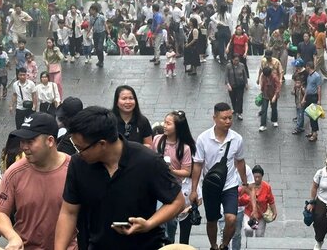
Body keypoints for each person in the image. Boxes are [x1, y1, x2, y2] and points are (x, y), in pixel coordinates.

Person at [54, 107, 184, 250]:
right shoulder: (78, 164)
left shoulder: (148, 161)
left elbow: (177, 202)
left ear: (102, 144)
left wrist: (149, 224)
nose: (78, 153)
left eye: (80, 148)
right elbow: (69, 212)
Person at [0, 112, 74, 250]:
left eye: (30, 142)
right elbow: (0, 213)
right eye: (22, 141)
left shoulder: (74, 170)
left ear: (50, 141)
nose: (24, 147)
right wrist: (12, 237)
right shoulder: (14, 172)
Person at [189, 102, 255, 250]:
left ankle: (224, 245)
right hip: (210, 186)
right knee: (212, 220)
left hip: (229, 185)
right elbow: (198, 165)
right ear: (214, 118)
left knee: (231, 218)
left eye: (230, 118)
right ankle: (213, 246)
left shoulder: (236, 139)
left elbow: (240, 161)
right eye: (224, 118)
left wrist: (244, 184)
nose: (228, 121)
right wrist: (194, 189)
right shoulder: (203, 139)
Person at [153, 111, 196, 245]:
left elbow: (187, 171)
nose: (164, 126)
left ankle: (169, 243)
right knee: (159, 218)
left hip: (173, 188)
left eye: (168, 123)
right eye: (164, 122)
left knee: (171, 222)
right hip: (156, 186)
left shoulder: (185, 148)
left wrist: (172, 170)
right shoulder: (158, 140)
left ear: (177, 127)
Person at [240, 165, 275, 238]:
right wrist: (250, 199)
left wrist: (274, 212)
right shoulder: (247, 186)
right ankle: (248, 242)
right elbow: (241, 198)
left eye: (259, 177)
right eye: (255, 177)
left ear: (262, 177)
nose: (257, 179)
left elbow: (271, 200)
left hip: (261, 215)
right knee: (248, 229)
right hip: (248, 213)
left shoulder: (267, 187)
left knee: (259, 235)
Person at [303, 62, 323, 142]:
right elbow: (308, 87)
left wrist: (319, 100)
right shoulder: (309, 75)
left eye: (306, 67)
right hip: (308, 97)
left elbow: (319, 88)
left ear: (308, 67)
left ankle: (315, 133)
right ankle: (312, 131)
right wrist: (304, 98)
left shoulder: (317, 76)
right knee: (310, 115)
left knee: (314, 116)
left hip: (314, 97)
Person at [225, 54, 249, 120]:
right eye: (235, 60)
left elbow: (245, 75)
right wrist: (228, 84)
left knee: (240, 99)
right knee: (233, 98)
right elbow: (226, 76)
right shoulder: (228, 66)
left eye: (238, 60)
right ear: (232, 60)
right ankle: (235, 109)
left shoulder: (241, 65)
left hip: (240, 85)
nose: (237, 62)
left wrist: (246, 83)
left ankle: (239, 112)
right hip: (232, 85)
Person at [258, 66, 281, 132]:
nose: (267, 77)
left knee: (274, 107)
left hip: (273, 94)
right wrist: (261, 91)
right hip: (265, 94)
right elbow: (262, 83)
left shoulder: (274, 77)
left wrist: (275, 96)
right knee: (264, 109)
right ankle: (263, 125)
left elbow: (278, 87)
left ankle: (274, 120)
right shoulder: (264, 75)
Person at [89, 3, 108, 68]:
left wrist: (108, 33)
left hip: (101, 33)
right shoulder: (91, 18)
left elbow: (105, 25)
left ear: (94, 10)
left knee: (100, 48)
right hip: (95, 34)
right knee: (96, 48)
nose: (90, 11)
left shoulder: (101, 17)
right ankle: (99, 60)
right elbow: (90, 25)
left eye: (91, 10)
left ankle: (101, 61)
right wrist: (88, 32)